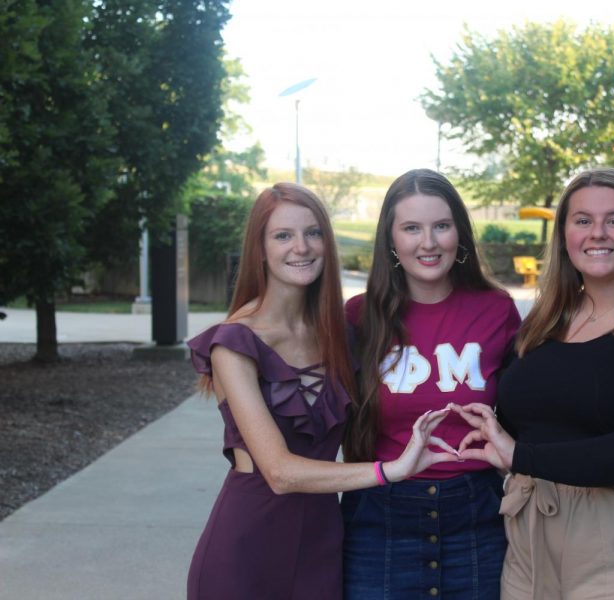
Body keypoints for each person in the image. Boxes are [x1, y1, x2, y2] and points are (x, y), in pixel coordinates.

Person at [185, 183, 457, 600]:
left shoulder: (341, 334)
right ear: (259, 249)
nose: (301, 247)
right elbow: (278, 472)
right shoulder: (234, 342)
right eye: (283, 235)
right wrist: (392, 470)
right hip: (247, 549)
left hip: (323, 547)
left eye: (313, 233)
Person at [452, 168, 614, 599]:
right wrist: (498, 442)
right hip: (531, 535)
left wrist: (522, 454)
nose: (598, 233)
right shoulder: (542, 324)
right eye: (583, 220)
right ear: (565, 235)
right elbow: (526, 419)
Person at [341, 169, 521, 599]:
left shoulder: (496, 309)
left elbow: (528, 410)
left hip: (477, 517)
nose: (428, 242)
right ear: (391, 239)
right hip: (380, 517)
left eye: (441, 226)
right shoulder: (358, 317)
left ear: (458, 233)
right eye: (411, 228)